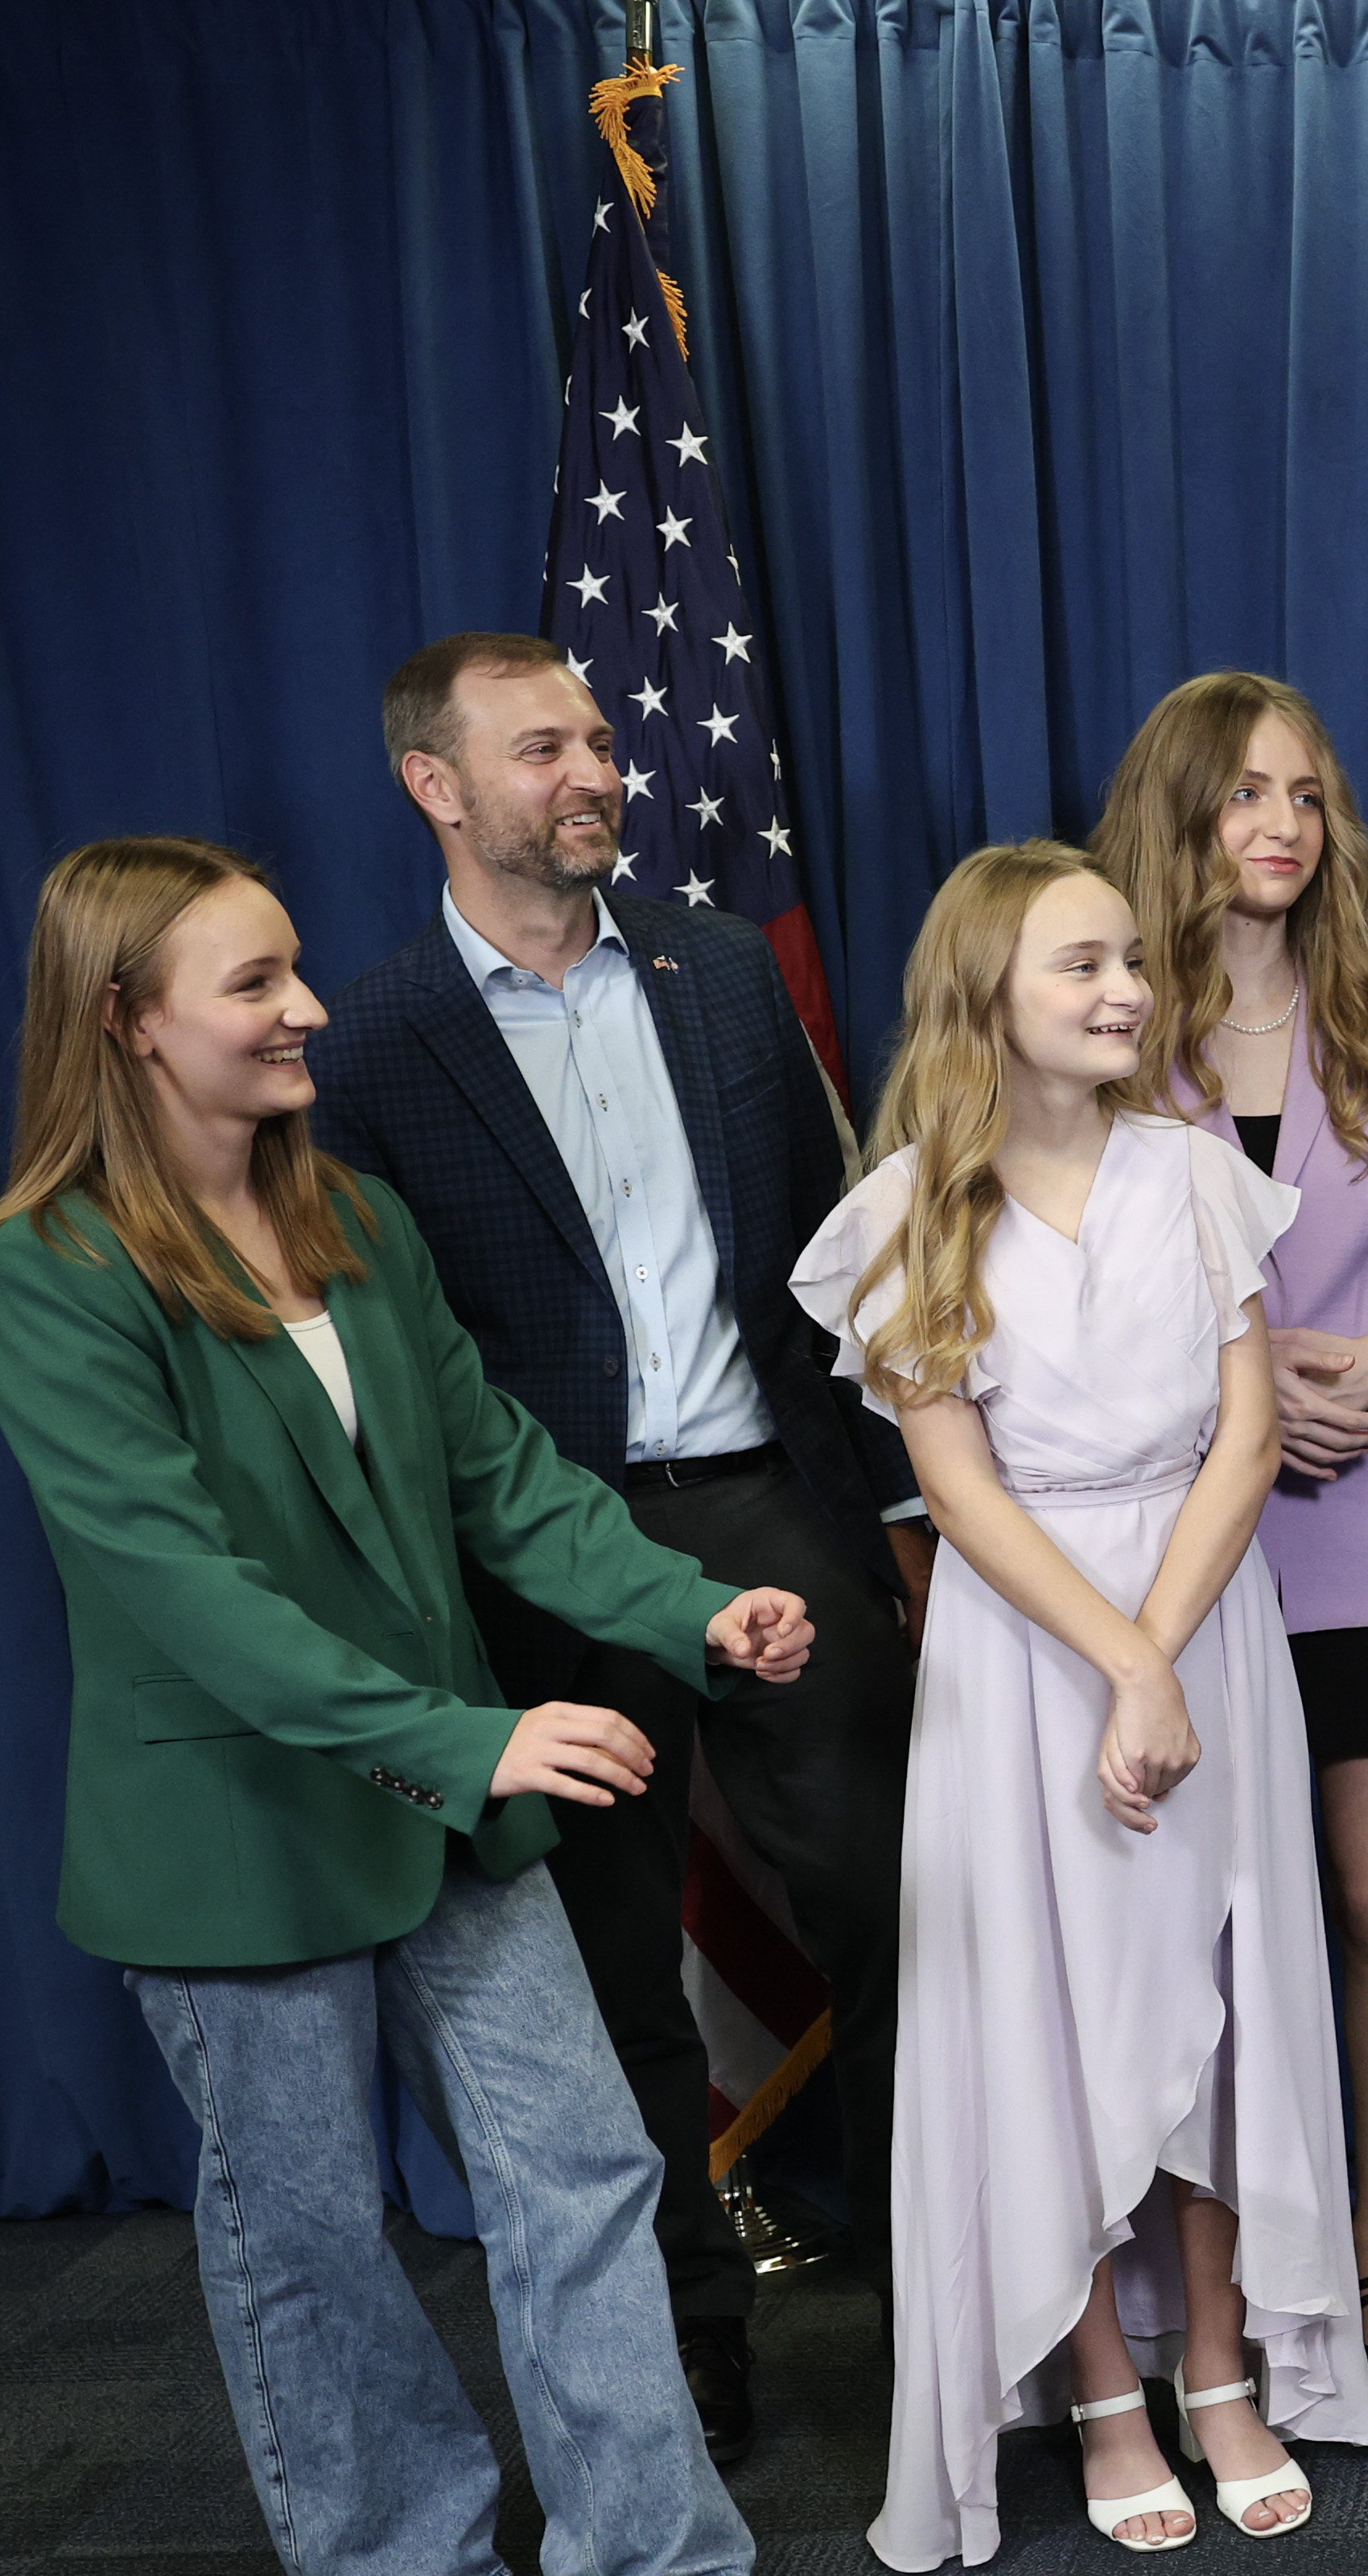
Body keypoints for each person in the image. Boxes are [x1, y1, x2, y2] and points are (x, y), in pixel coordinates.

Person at [0, 835, 817, 2576]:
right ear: (128, 1019)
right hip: (237, 1827)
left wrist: (689, 1609)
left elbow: (498, 1473)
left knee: (582, 2162)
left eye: (294, 971)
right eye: (255, 983)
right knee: (309, 2225)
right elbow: (189, 1596)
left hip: (447, 1802)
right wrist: (478, 1732)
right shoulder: (46, 1275)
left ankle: (648, 2567)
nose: (307, 1010)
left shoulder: (355, 1213)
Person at [305, 631, 926, 2465]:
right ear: (436, 784)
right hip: (549, 1550)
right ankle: (689, 2335)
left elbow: (843, 1279)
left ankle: (934, 2309)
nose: (593, 770)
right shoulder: (376, 1047)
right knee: (609, 1966)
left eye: (597, 737)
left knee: (903, 1916)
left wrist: (893, 1510)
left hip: (771, 1505)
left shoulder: (725, 974)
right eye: (540, 747)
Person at [801, 842, 1368, 2573]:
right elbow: (957, 1491)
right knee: (1053, 2010)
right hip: (1027, 1647)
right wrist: (1126, 1665)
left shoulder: (1200, 1177)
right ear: (989, 993)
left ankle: (1221, 2363)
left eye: (1131, 959)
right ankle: (1103, 2383)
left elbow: (1250, 1434)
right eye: (1082, 965)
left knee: (1219, 1981)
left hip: (1212, 1618)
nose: (1127, 988)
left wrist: (1173, 1645)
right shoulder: (908, 1212)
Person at [1090, 673, 1368, 2409]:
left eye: (1309, 795)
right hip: (1182, 1542)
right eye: (1247, 792)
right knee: (1200, 1923)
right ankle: (1221, 2285)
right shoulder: (1099, 1027)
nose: (1282, 825)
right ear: (1181, 816)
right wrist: (1246, 1400)